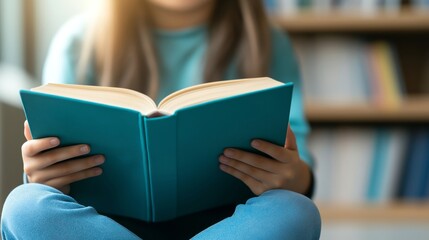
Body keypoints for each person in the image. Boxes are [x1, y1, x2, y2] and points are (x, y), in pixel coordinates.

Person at [1, 0, 321, 239]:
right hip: (103, 224)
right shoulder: (77, 42)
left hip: (230, 224)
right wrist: (41, 173)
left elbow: (298, 170)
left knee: (295, 210)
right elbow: (49, 173)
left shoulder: (266, 41)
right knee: (25, 206)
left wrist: (292, 175)